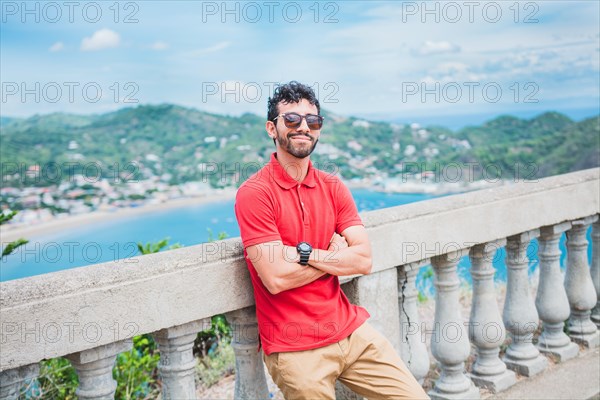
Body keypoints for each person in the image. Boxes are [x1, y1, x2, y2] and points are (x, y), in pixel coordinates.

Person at [234, 81, 428, 400]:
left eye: (313, 121)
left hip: (350, 331)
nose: (304, 127)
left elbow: (363, 260)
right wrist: (333, 256)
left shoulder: (332, 187)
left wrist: (303, 255)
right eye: (292, 119)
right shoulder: (255, 194)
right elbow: (276, 278)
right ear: (272, 128)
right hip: (295, 349)